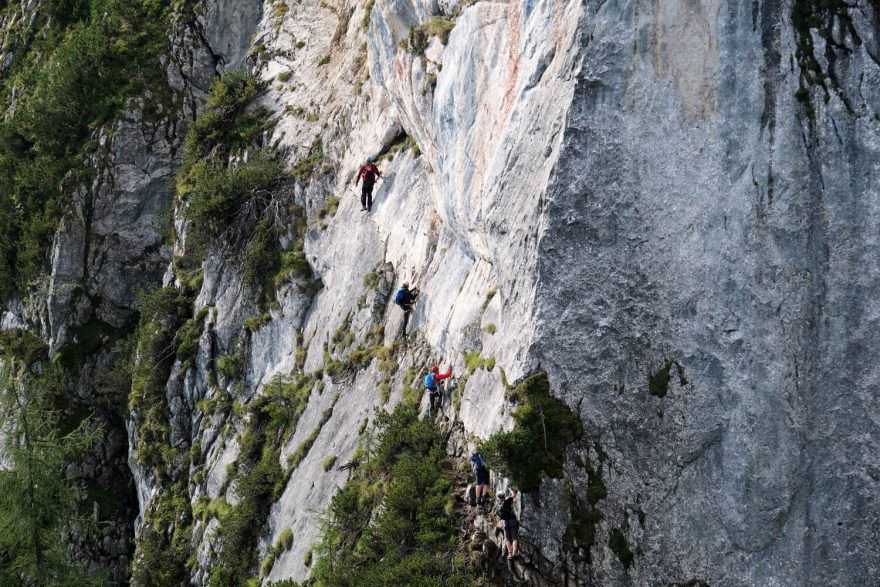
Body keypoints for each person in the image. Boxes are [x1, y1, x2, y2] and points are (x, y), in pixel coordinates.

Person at [498, 487, 519, 559]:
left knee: (507, 539)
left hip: (505, 522)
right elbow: (514, 494)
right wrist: (510, 489)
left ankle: (510, 554)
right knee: (514, 538)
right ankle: (514, 552)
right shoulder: (507, 501)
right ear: (504, 495)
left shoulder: (499, 504)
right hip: (512, 520)